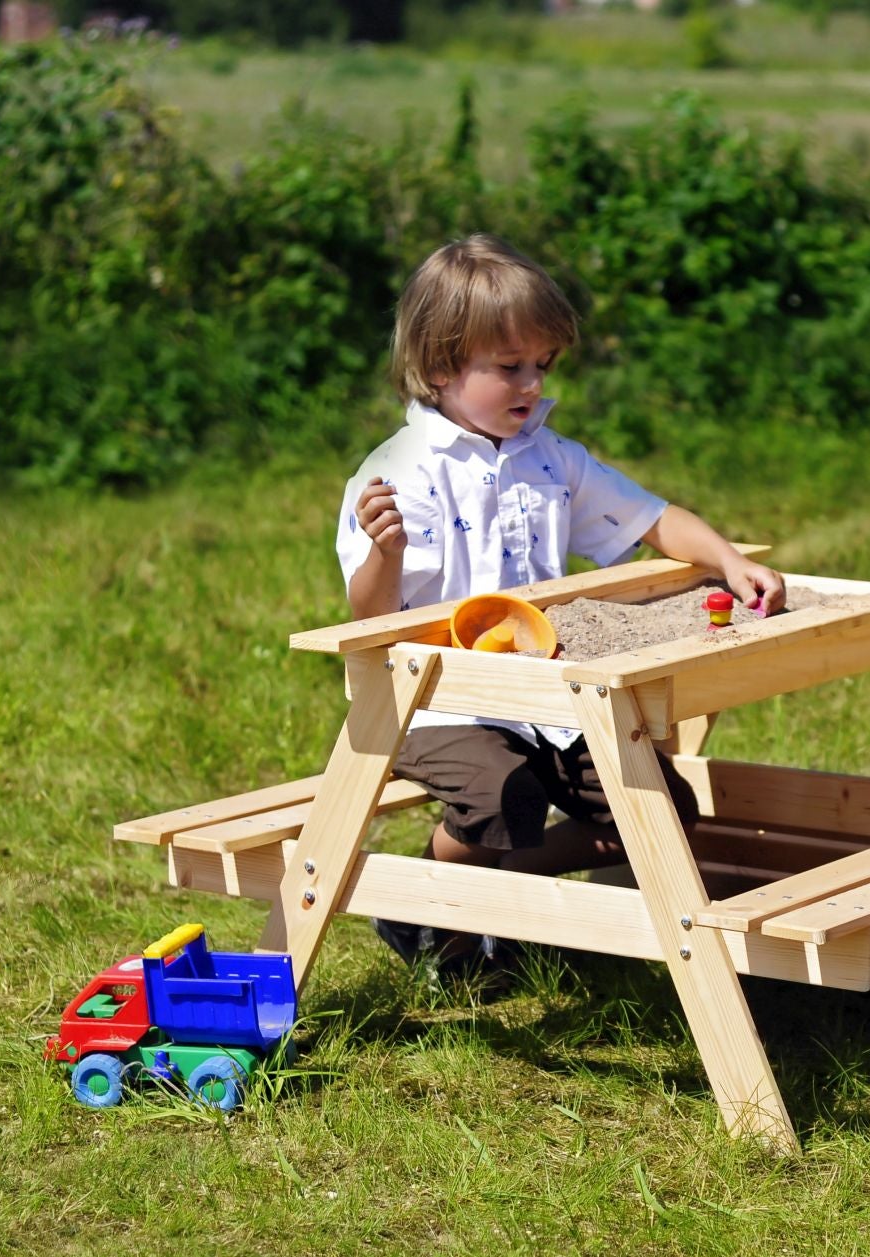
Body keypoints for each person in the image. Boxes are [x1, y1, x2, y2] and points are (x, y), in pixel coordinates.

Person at [335, 233, 785, 972]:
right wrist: (383, 554)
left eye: (542, 366)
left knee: (663, 813)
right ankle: (440, 937)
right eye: (509, 368)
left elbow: (651, 517)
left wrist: (729, 558)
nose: (532, 385)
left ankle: (473, 889)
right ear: (441, 365)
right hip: (434, 702)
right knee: (499, 799)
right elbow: (370, 621)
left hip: (547, 697)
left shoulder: (551, 458)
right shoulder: (398, 474)